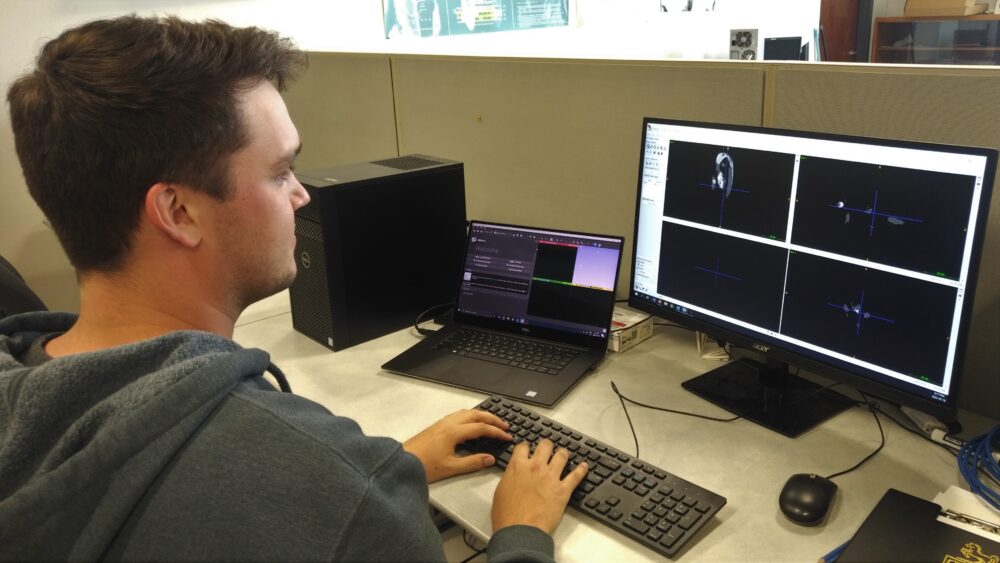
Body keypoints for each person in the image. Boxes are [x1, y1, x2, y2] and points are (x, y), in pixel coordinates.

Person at [0, 15, 588, 561]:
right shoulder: (333, 500)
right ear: (178, 212)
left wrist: (380, 468)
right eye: (280, 171)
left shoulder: (24, 390)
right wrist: (521, 532)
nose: (301, 196)